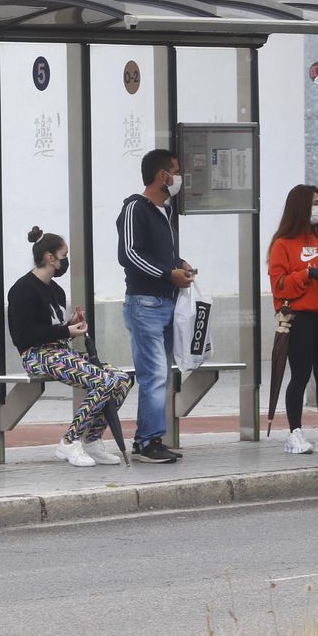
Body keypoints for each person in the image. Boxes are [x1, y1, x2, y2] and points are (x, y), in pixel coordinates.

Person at [8, 227, 134, 467]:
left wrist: (70, 325)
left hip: (61, 352)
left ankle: (92, 441)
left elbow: (52, 328)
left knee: (121, 378)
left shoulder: (55, 290)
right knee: (103, 381)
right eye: (63, 256)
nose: (65, 261)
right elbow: (25, 335)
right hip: (36, 355)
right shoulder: (22, 290)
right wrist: (66, 331)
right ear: (50, 258)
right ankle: (69, 442)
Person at [117, 148, 194, 463]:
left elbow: (161, 254)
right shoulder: (136, 207)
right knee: (155, 373)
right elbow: (129, 255)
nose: (178, 178)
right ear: (163, 176)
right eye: (175, 171)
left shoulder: (168, 211)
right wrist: (167, 273)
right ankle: (149, 442)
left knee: (159, 372)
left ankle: (148, 439)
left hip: (167, 301)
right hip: (145, 303)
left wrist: (180, 264)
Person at [268, 184, 318, 455]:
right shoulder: (282, 245)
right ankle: (294, 433)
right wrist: (308, 274)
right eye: (312, 203)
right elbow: (280, 286)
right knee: (300, 375)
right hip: (299, 319)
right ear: (299, 207)